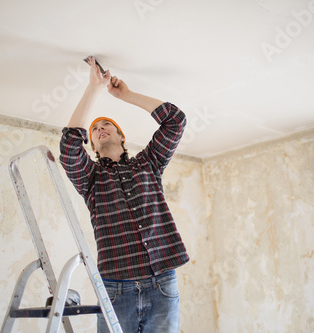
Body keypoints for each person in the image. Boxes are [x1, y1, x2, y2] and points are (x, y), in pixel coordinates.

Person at [59, 56, 189, 333]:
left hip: (162, 282)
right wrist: (94, 88)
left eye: (106, 125)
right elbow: (69, 148)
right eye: (94, 129)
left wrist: (126, 95)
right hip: (117, 289)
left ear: (121, 136)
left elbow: (175, 121)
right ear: (92, 143)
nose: (99, 128)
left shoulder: (148, 163)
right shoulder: (91, 179)